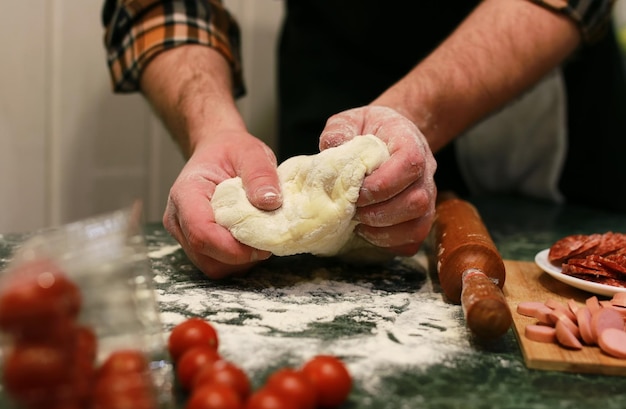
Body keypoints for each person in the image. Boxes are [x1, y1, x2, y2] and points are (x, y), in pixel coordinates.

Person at [102, 0, 626, 279]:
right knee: (326, 263)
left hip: (523, 84)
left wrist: (411, 112)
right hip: (337, 62)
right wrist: (212, 127)